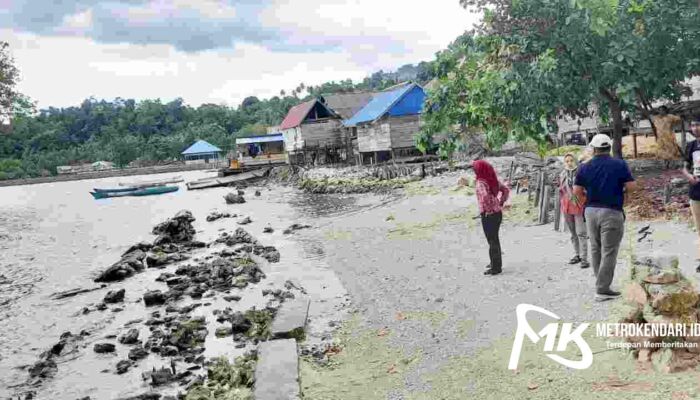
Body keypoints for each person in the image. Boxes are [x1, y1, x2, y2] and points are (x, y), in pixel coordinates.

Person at [574, 134, 636, 302]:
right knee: (609, 251)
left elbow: (576, 192)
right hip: (612, 211)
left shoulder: (584, 167)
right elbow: (631, 186)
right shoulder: (619, 164)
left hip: (591, 211)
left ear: (593, 149)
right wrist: (623, 194)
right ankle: (602, 289)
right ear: (609, 147)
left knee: (595, 248)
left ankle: (600, 283)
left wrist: (583, 204)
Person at [471, 160, 510, 276]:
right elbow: (505, 190)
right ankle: (495, 262)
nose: (474, 170)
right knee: (494, 239)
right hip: (497, 213)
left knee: (492, 240)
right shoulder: (491, 179)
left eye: (475, 168)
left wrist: (487, 210)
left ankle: (496, 267)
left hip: (489, 215)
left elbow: (485, 198)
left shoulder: (481, 183)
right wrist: (500, 202)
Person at [559, 153, 589, 269]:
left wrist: (581, 198)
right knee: (573, 233)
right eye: (567, 161)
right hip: (566, 206)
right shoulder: (562, 174)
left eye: (571, 160)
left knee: (581, 232)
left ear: (575, 161)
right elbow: (561, 190)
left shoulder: (581, 174)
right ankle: (577, 254)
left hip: (579, 205)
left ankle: (584, 258)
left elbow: (587, 189)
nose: (569, 163)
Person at [681, 119, 700, 272]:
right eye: (693, 125)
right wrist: (689, 177)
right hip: (695, 192)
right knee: (698, 227)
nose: (695, 128)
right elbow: (685, 168)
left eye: (698, 125)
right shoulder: (690, 146)